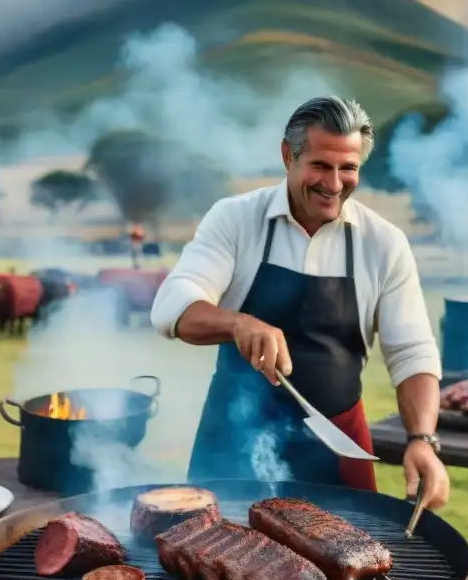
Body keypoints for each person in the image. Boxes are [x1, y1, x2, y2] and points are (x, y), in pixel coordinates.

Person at [150, 95, 451, 509]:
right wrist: (239, 323)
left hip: (336, 446)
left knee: (351, 563)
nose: (333, 183)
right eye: (320, 166)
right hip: (233, 443)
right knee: (210, 557)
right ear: (288, 155)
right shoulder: (235, 218)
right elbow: (172, 306)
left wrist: (422, 440)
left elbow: (412, 351)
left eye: (348, 168)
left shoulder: (383, 243)